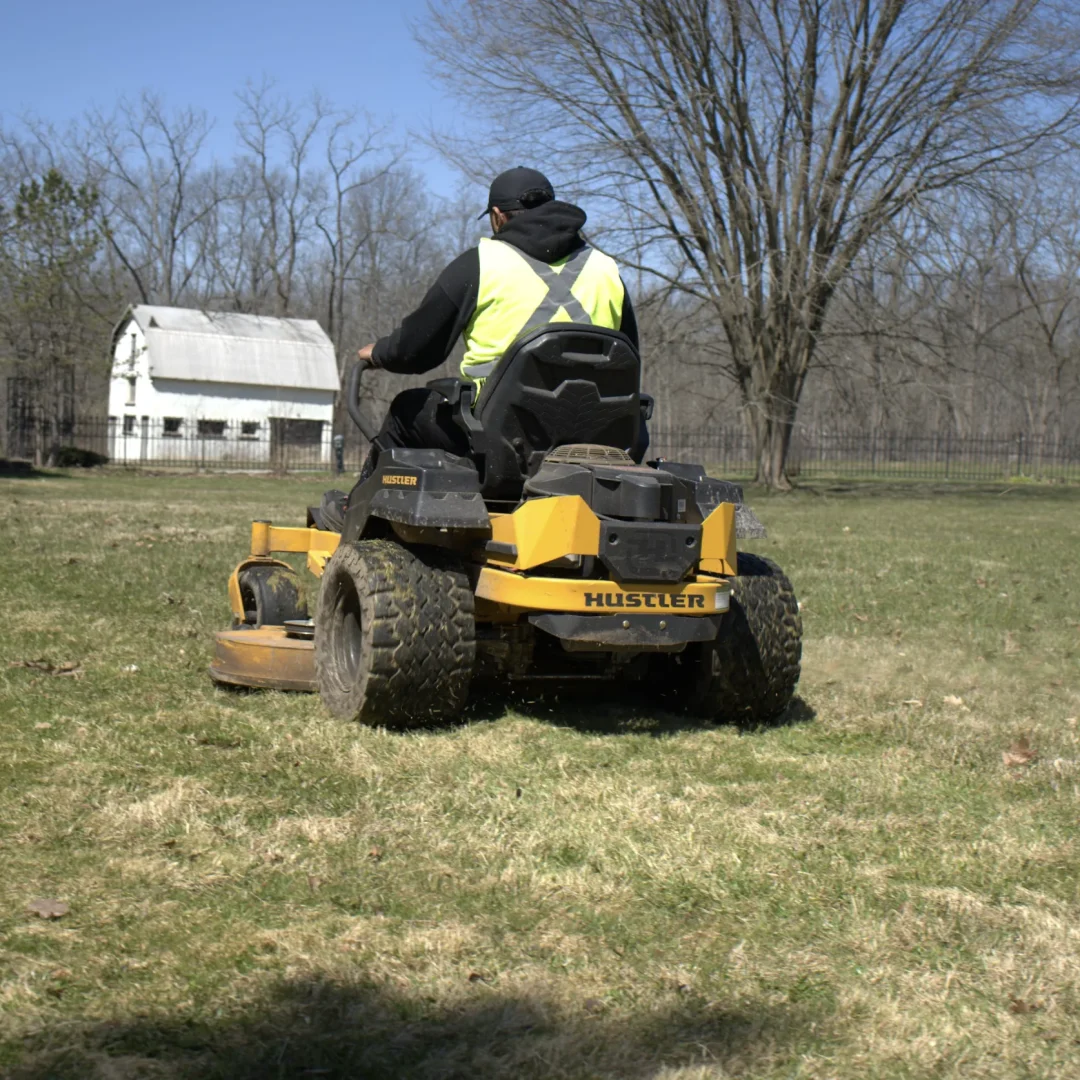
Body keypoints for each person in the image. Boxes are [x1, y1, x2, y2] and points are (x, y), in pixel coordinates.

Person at [355, 166, 639, 469]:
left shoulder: (480, 264)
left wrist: (381, 352)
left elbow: (416, 352)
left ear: (497, 215)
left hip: (495, 439)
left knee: (405, 409)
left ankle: (355, 512)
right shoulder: (606, 270)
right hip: (596, 440)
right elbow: (630, 360)